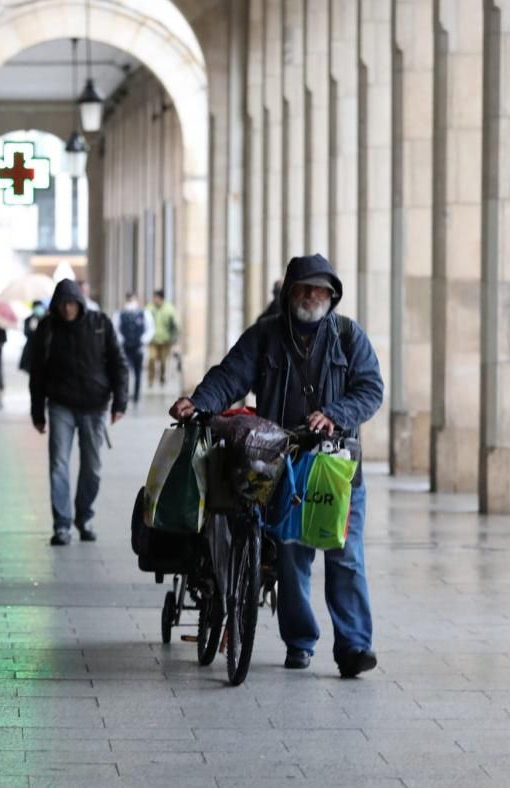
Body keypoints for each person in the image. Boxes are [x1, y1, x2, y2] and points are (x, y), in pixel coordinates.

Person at [169, 254, 384, 678]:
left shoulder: (347, 336)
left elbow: (371, 389)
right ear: (289, 292)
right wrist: (200, 403)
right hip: (281, 463)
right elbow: (230, 376)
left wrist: (335, 414)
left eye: (320, 289)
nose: (311, 296)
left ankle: (355, 647)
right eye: (304, 288)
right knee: (290, 553)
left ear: (331, 295)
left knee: (346, 557)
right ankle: (300, 641)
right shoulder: (266, 336)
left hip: (337, 467)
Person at [30, 280, 128, 546]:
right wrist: (37, 412)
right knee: (59, 465)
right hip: (60, 405)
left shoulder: (99, 324)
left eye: (71, 303)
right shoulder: (48, 328)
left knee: (92, 468)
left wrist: (120, 402)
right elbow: (36, 372)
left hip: (95, 407)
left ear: (80, 303)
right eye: (62, 304)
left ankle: (84, 516)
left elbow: (119, 364)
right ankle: (62, 524)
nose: (67, 309)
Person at [112, 293, 155, 403]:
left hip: (139, 348)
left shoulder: (144, 313)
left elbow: (150, 329)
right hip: (125, 347)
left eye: (133, 300)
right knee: (125, 371)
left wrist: (143, 340)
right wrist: (121, 340)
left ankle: (136, 395)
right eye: (129, 301)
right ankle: (125, 394)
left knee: (138, 372)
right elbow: (115, 329)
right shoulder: (119, 314)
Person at [147, 289, 180, 387]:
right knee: (151, 359)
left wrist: (174, 338)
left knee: (163, 361)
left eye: (156, 298)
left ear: (161, 298)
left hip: (165, 340)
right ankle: (150, 380)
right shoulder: (149, 308)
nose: (154, 300)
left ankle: (162, 377)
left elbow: (176, 324)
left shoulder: (169, 309)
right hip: (153, 339)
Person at [19, 300, 46, 374]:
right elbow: (26, 332)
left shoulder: (46, 319)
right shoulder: (28, 319)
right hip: (31, 348)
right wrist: (32, 330)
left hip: (42, 348)